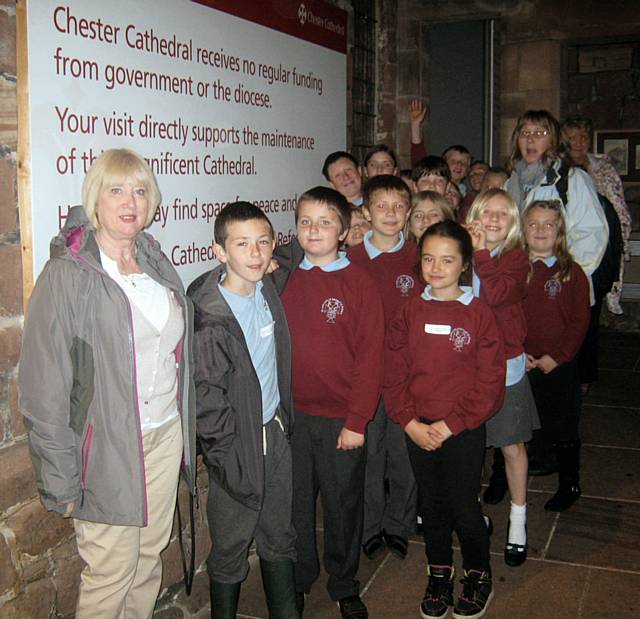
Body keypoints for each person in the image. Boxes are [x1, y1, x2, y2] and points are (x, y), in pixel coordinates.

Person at [19, 148, 196, 619]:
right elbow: (42, 386)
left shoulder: (156, 265)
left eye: (139, 190)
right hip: (106, 447)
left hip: (162, 435)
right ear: (95, 199)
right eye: (116, 189)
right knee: (110, 570)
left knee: (146, 560)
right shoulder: (67, 275)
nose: (129, 201)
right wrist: (60, 477)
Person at [273, 186, 385, 619]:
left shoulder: (359, 281)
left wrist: (357, 420)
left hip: (341, 418)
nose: (313, 229)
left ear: (343, 230)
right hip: (294, 418)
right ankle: (300, 579)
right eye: (305, 221)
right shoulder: (282, 277)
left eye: (324, 222)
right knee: (296, 505)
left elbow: (371, 355)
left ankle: (344, 582)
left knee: (342, 505)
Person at [385, 220, 505, 619]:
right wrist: (409, 422)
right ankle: (439, 573)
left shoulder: (480, 315)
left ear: (465, 264)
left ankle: (478, 573)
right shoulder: (409, 311)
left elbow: (489, 382)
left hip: (462, 430)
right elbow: (394, 371)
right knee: (431, 505)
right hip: (417, 427)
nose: (436, 268)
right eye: (429, 259)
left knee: (463, 507)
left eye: (447, 260)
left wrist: (451, 425)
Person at [188, 202, 298, 619]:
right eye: (242, 244)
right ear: (220, 252)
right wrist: (225, 458)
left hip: (276, 433)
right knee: (231, 543)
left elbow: (300, 248)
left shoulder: (268, 285)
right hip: (237, 446)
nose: (255, 254)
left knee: (279, 533)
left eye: (263, 243)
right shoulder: (210, 317)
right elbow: (208, 400)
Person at [348, 175, 419, 566]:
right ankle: (370, 524)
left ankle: (399, 524)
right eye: (381, 206)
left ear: (407, 212)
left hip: (408, 377)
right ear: (366, 212)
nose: (390, 214)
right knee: (370, 456)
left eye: (398, 207)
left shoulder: (419, 259)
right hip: (367, 378)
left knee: (403, 455)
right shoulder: (352, 261)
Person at [467, 188, 540, 568]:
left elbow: (495, 293)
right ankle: (474, 513)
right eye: (487, 212)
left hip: (505, 367)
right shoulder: (462, 253)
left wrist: (479, 254)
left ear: (512, 224)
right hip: (464, 366)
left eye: (503, 214)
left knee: (510, 445)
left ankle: (518, 519)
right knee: (471, 447)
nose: (494, 220)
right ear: (475, 215)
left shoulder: (515, 259)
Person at [522, 200, 590, 511]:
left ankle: (569, 482)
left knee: (563, 422)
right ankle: (502, 476)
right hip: (522, 361)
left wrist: (558, 356)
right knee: (521, 421)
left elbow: (579, 322)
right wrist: (517, 352)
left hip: (559, 363)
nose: (540, 230)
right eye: (533, 223)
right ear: (523, 229)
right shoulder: (516, 268)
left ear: (559, 231)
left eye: (548, 224)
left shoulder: (572, 273)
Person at [504, 109, 608, 298]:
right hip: (522, 283)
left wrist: (570, 275)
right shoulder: (510, 183)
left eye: (539, 133)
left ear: (553, 140)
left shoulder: (572, 180)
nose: (530, 139)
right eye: (525, 133)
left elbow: (592, 232)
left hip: (561, 284)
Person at [561, 114, 631, 316]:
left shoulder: (603, 168)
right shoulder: (557, 170)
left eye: (583, 137)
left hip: (601, 248)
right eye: (572, 138)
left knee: (591, 309)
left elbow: (619, 210)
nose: (578, 143)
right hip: (567, 247)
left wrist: (620, 245)